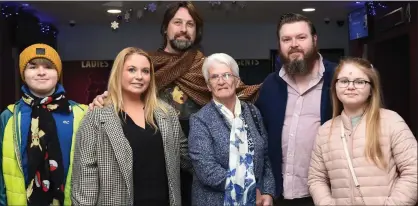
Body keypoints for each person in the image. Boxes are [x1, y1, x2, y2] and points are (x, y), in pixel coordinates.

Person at [88, 2, 260, 205]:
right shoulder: (147, 66)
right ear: (165, 28)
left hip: (205, 169)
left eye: (190, 24)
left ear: (197, 32)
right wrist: (106, 99)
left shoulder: (207, 68)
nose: (183, 29)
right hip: (154, 165)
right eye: (177, 22)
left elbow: (237, 93)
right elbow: (126, 93)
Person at [71, 47, 191, 206]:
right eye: (132, 70)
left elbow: (188, 158)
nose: (139, 76)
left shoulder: (167, 114)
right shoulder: (96, 117)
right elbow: (84, 176)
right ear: (118, 73)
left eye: (146, 71)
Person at [308, 57, 418, 205]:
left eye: (360, 82)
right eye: (344, 81)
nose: (351, 86)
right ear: (335, 86)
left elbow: (413, 171)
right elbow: (316, 178)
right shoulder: (325, 131)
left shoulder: (391, 122)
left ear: (372, 89)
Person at [255, 13, 337, 206]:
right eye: (286, 39)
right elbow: (260, 140)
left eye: (301, 37)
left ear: (314, 40)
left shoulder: (338, 78)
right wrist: (265, 187)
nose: (294, 44)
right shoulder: (270, 85)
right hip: (279, 195)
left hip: (328, 194)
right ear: (280, 44)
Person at [0, 43, 88, 205]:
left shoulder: (81, 114)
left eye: (48, 67)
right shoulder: (9, 116)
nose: (41, 72)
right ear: (23, 73)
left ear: (58, 72)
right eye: (32, 67)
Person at [188, 53, 275, 206]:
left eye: (227, 75)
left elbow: (266, 156)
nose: (221, 81)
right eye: (214, 77)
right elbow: (206, 170)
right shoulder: (200, 120)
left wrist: (268, 192)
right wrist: (248, 189)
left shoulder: (253, 111)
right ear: (208, 85)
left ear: (236, 80)